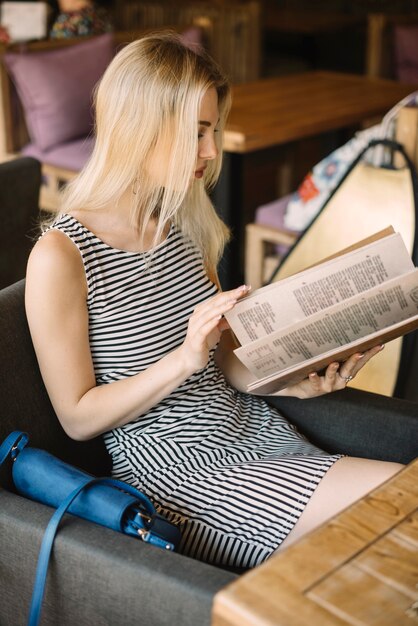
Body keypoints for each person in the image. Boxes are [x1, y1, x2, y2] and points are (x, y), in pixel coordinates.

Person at [25, 32, 403, 570]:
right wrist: (181, 359)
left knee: (382, 551)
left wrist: (292, 378)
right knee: (398, 501)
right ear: (141, 128)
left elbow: (222, 364)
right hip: (179, 474)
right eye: (197, 132)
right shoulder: (60, 256)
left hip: (251, 428)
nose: (211, 151)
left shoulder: (182, 221)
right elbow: (78, 418)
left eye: (213, 131)